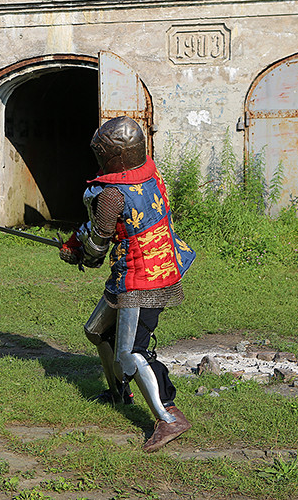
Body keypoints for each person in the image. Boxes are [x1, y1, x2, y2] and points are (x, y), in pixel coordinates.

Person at [60, 116, 196, 452]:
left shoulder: (112, 195)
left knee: (131, 351)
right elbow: (101, 228)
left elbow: (97, 249)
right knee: (96, 331)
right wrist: (76, 240)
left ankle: (168, 417)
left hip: (141, 280)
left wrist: (77, 254)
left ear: (115, 156)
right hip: (144, 268)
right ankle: (119, 392)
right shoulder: (149, 172)